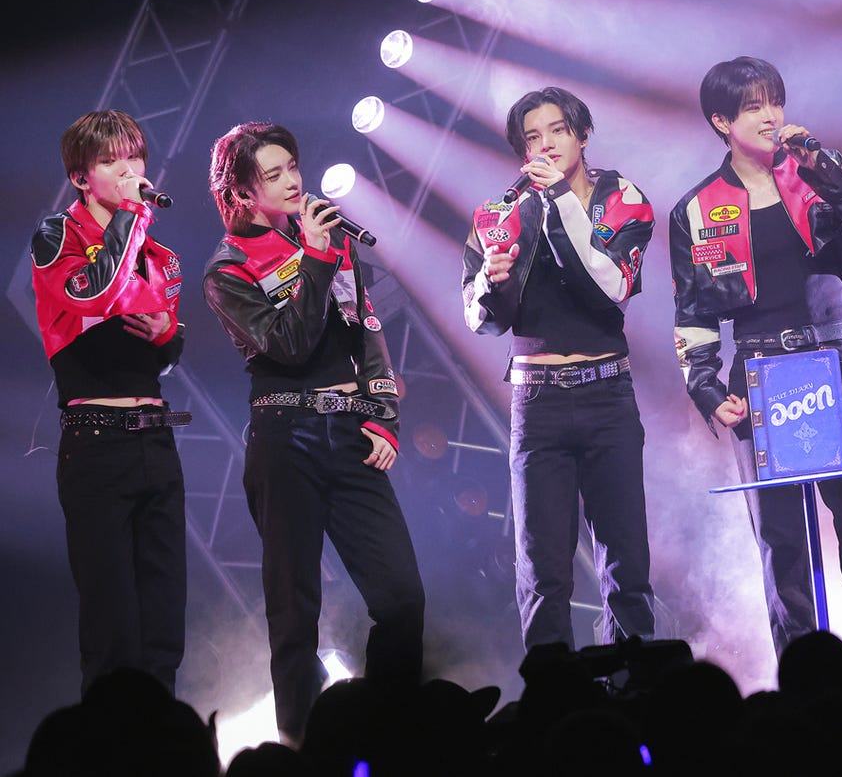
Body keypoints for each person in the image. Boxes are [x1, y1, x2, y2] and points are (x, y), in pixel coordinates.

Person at [671, 56, 842, 687]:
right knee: (783, 549)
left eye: (775, 101)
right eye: (753, 106)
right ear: (721, 121)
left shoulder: (818, 171)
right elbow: (691, 314)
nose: (771, 115)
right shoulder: (697, 209)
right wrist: (706, 387)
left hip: (836, 356)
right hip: (759, 370)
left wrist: (825, 168)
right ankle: (807, 695)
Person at [203, 121, 425, 741]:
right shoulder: (228, 269)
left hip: (350, 433)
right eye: (273, 174)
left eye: (293, 166)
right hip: (285, 437)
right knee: (295, 616)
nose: (292, 180)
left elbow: (367, 331)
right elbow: (291, 345)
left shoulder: (329, 240)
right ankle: (303, 746)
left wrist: (384, 416)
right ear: (241, 193)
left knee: (402, 597)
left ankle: (391, 734)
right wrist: (316, 258)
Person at [462, 86, 657, 651]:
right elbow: (478, 320)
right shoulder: (499, 214)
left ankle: (635, 681)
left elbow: (611, 286)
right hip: (537, 401)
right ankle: (554, 689)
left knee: (625, 558)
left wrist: (560, 202)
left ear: (583, 134)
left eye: (557, 131)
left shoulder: (621, 198)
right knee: (542, 566)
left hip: (606, 392)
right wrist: (488, 280)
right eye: (532, 138)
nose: (545, 145)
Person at [30, 110, 188, 693]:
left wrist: (168, 335)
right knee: (112, 629)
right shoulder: (57, 237)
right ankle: (110, 737)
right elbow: (93, 294)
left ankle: (166, 735)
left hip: (157, 438)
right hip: (96, 444)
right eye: (110, 160)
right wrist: (129, 216)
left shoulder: (160, 256)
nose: (128, 170)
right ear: (80, 176)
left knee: (163, 626)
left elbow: (165, 354)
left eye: (135, 157)